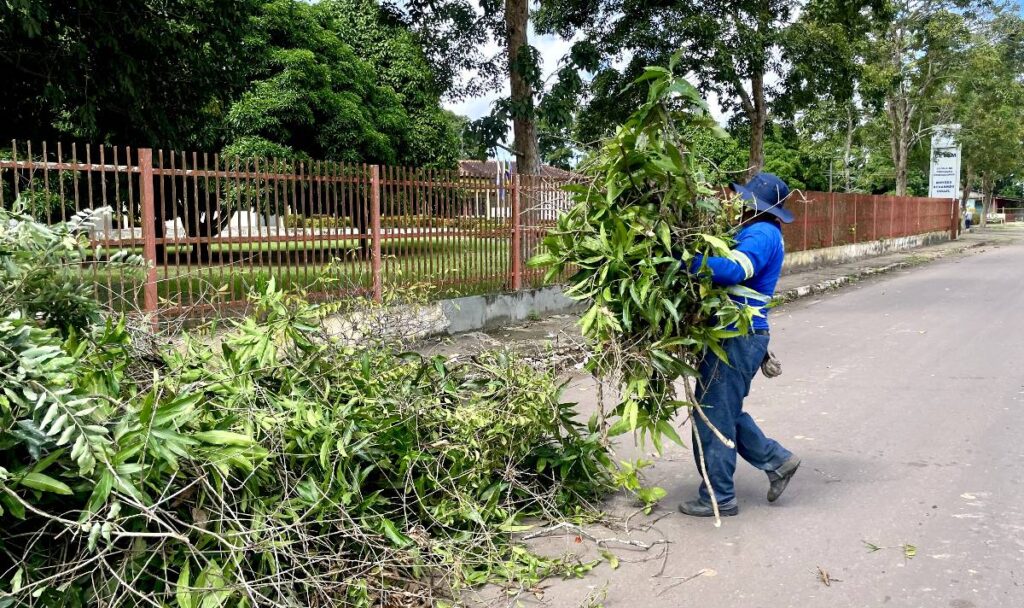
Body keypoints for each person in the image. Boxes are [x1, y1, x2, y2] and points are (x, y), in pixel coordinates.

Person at [678, 172, 801, 518]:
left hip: (737, 335)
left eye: (745, 198)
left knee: (713, 414)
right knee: (724, 408)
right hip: (737, 335)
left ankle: (719, 496)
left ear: (756, 205)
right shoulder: (756, 231)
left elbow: (733, 271)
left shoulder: (761, 233)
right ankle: (777, 461)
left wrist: (684, 263)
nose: (738, 202)